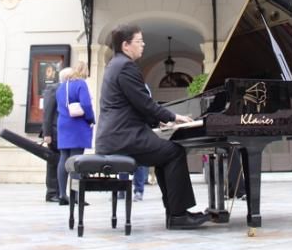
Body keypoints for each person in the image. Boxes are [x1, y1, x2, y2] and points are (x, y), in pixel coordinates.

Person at [95, 23, 209, 230]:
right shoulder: (126, 67)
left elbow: (136, 105)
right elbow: (144, 103)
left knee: (165, 155)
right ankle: (178, 216)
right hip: (123, 137)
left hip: (115, 135)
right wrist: (174, 117)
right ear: (126, 45)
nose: (143, 45)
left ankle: (175, 212)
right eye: (139, 41)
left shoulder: (115, 64)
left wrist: (161, 120)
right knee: (174, 153)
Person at [56, 61, 96, 205]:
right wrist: (91, 118)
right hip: (77, 125)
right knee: (76, 160)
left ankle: (62, 194)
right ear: (84, 71)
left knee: (63, 158)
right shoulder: (81, 84)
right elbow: (85, 104)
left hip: (63, 124)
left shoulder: (62, 87)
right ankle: (76, 195)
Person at [41, 73, 66, 202]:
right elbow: (47, 113)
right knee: (53, 162)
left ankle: (59, 192)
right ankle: (51, 193)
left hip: (63, 133)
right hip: (54, 132)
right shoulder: (54, 89)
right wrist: (47, 134)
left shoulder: (66, 89)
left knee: (60, 161)